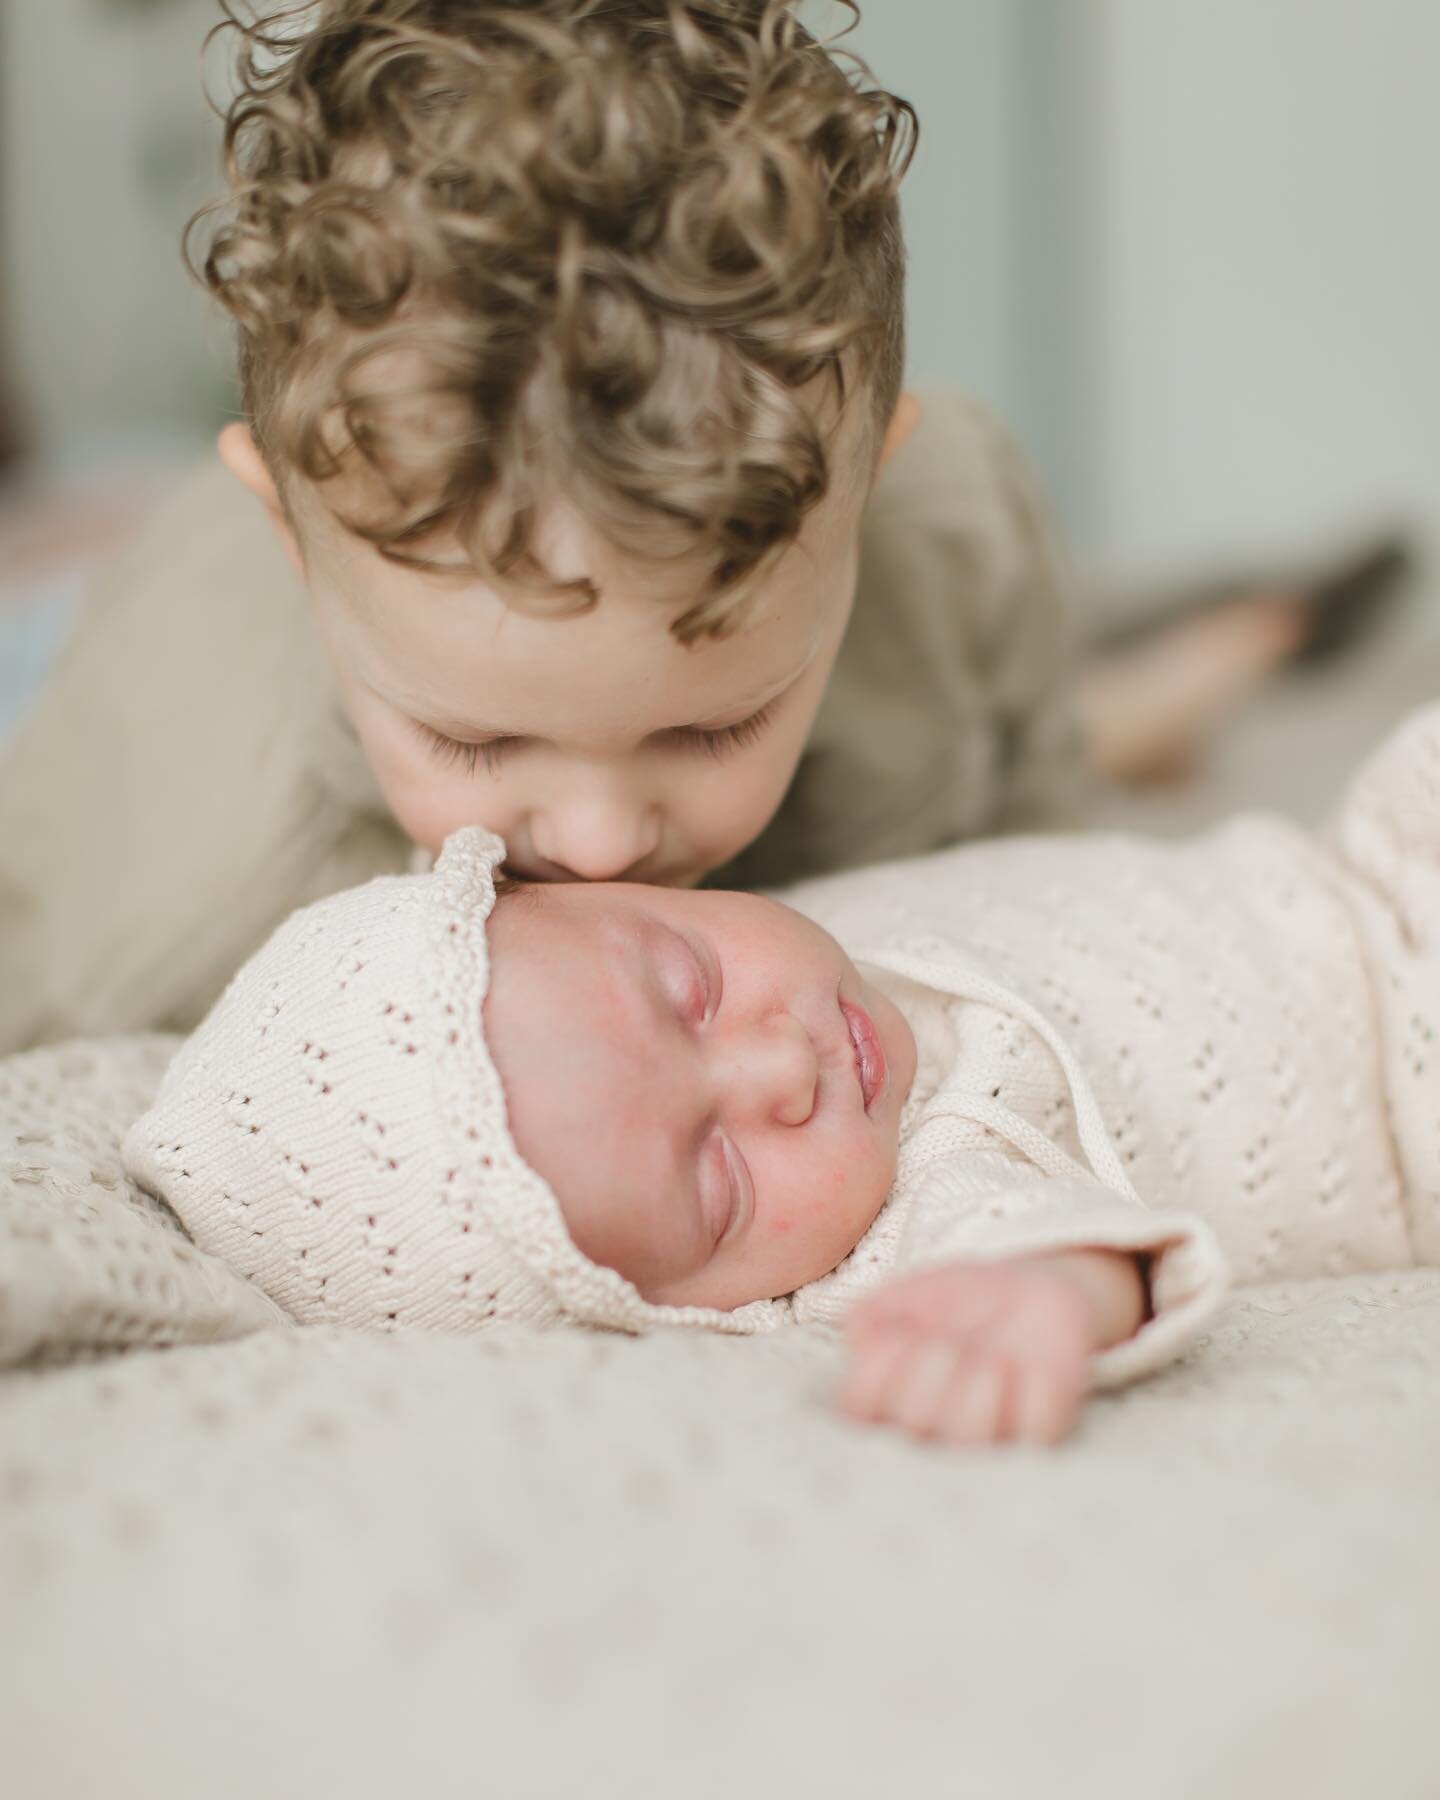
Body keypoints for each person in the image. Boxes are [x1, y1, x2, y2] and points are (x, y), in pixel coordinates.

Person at [0, 0, 1328, 1057]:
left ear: (868, 492)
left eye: (707, 725)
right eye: (475, 736)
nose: (595, 840)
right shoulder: (183, 896)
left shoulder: (954, 519)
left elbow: (1041, 865)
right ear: (296, 543)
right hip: (107, 628)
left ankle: (1151, 699)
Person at [126, 702, 1440, 1448]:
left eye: (688, 987)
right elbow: (1036, 1237)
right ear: (687, 1309)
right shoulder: (907, 1204)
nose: (778, 1066)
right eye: (715, 1177)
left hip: (1363, 860)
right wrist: (1039, 1299)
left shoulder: (786, 918)